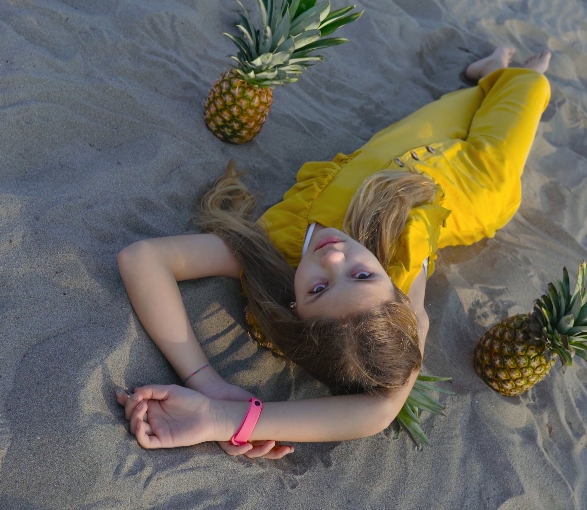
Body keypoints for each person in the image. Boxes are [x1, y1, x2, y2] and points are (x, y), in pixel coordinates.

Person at [115, 46, 553, 459]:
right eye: (365, 277)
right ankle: (502, 72)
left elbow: (142, 259)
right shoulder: (401, 270)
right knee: (528, 87)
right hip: (479, 180)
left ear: (295, 302)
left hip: (410, 147)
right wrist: (229, 419)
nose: (335, 258)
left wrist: (211, 391)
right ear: (395, 295)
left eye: (320, 288)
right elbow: (380, 411)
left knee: (486, 94)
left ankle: (493, 70)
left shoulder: (280, 246)